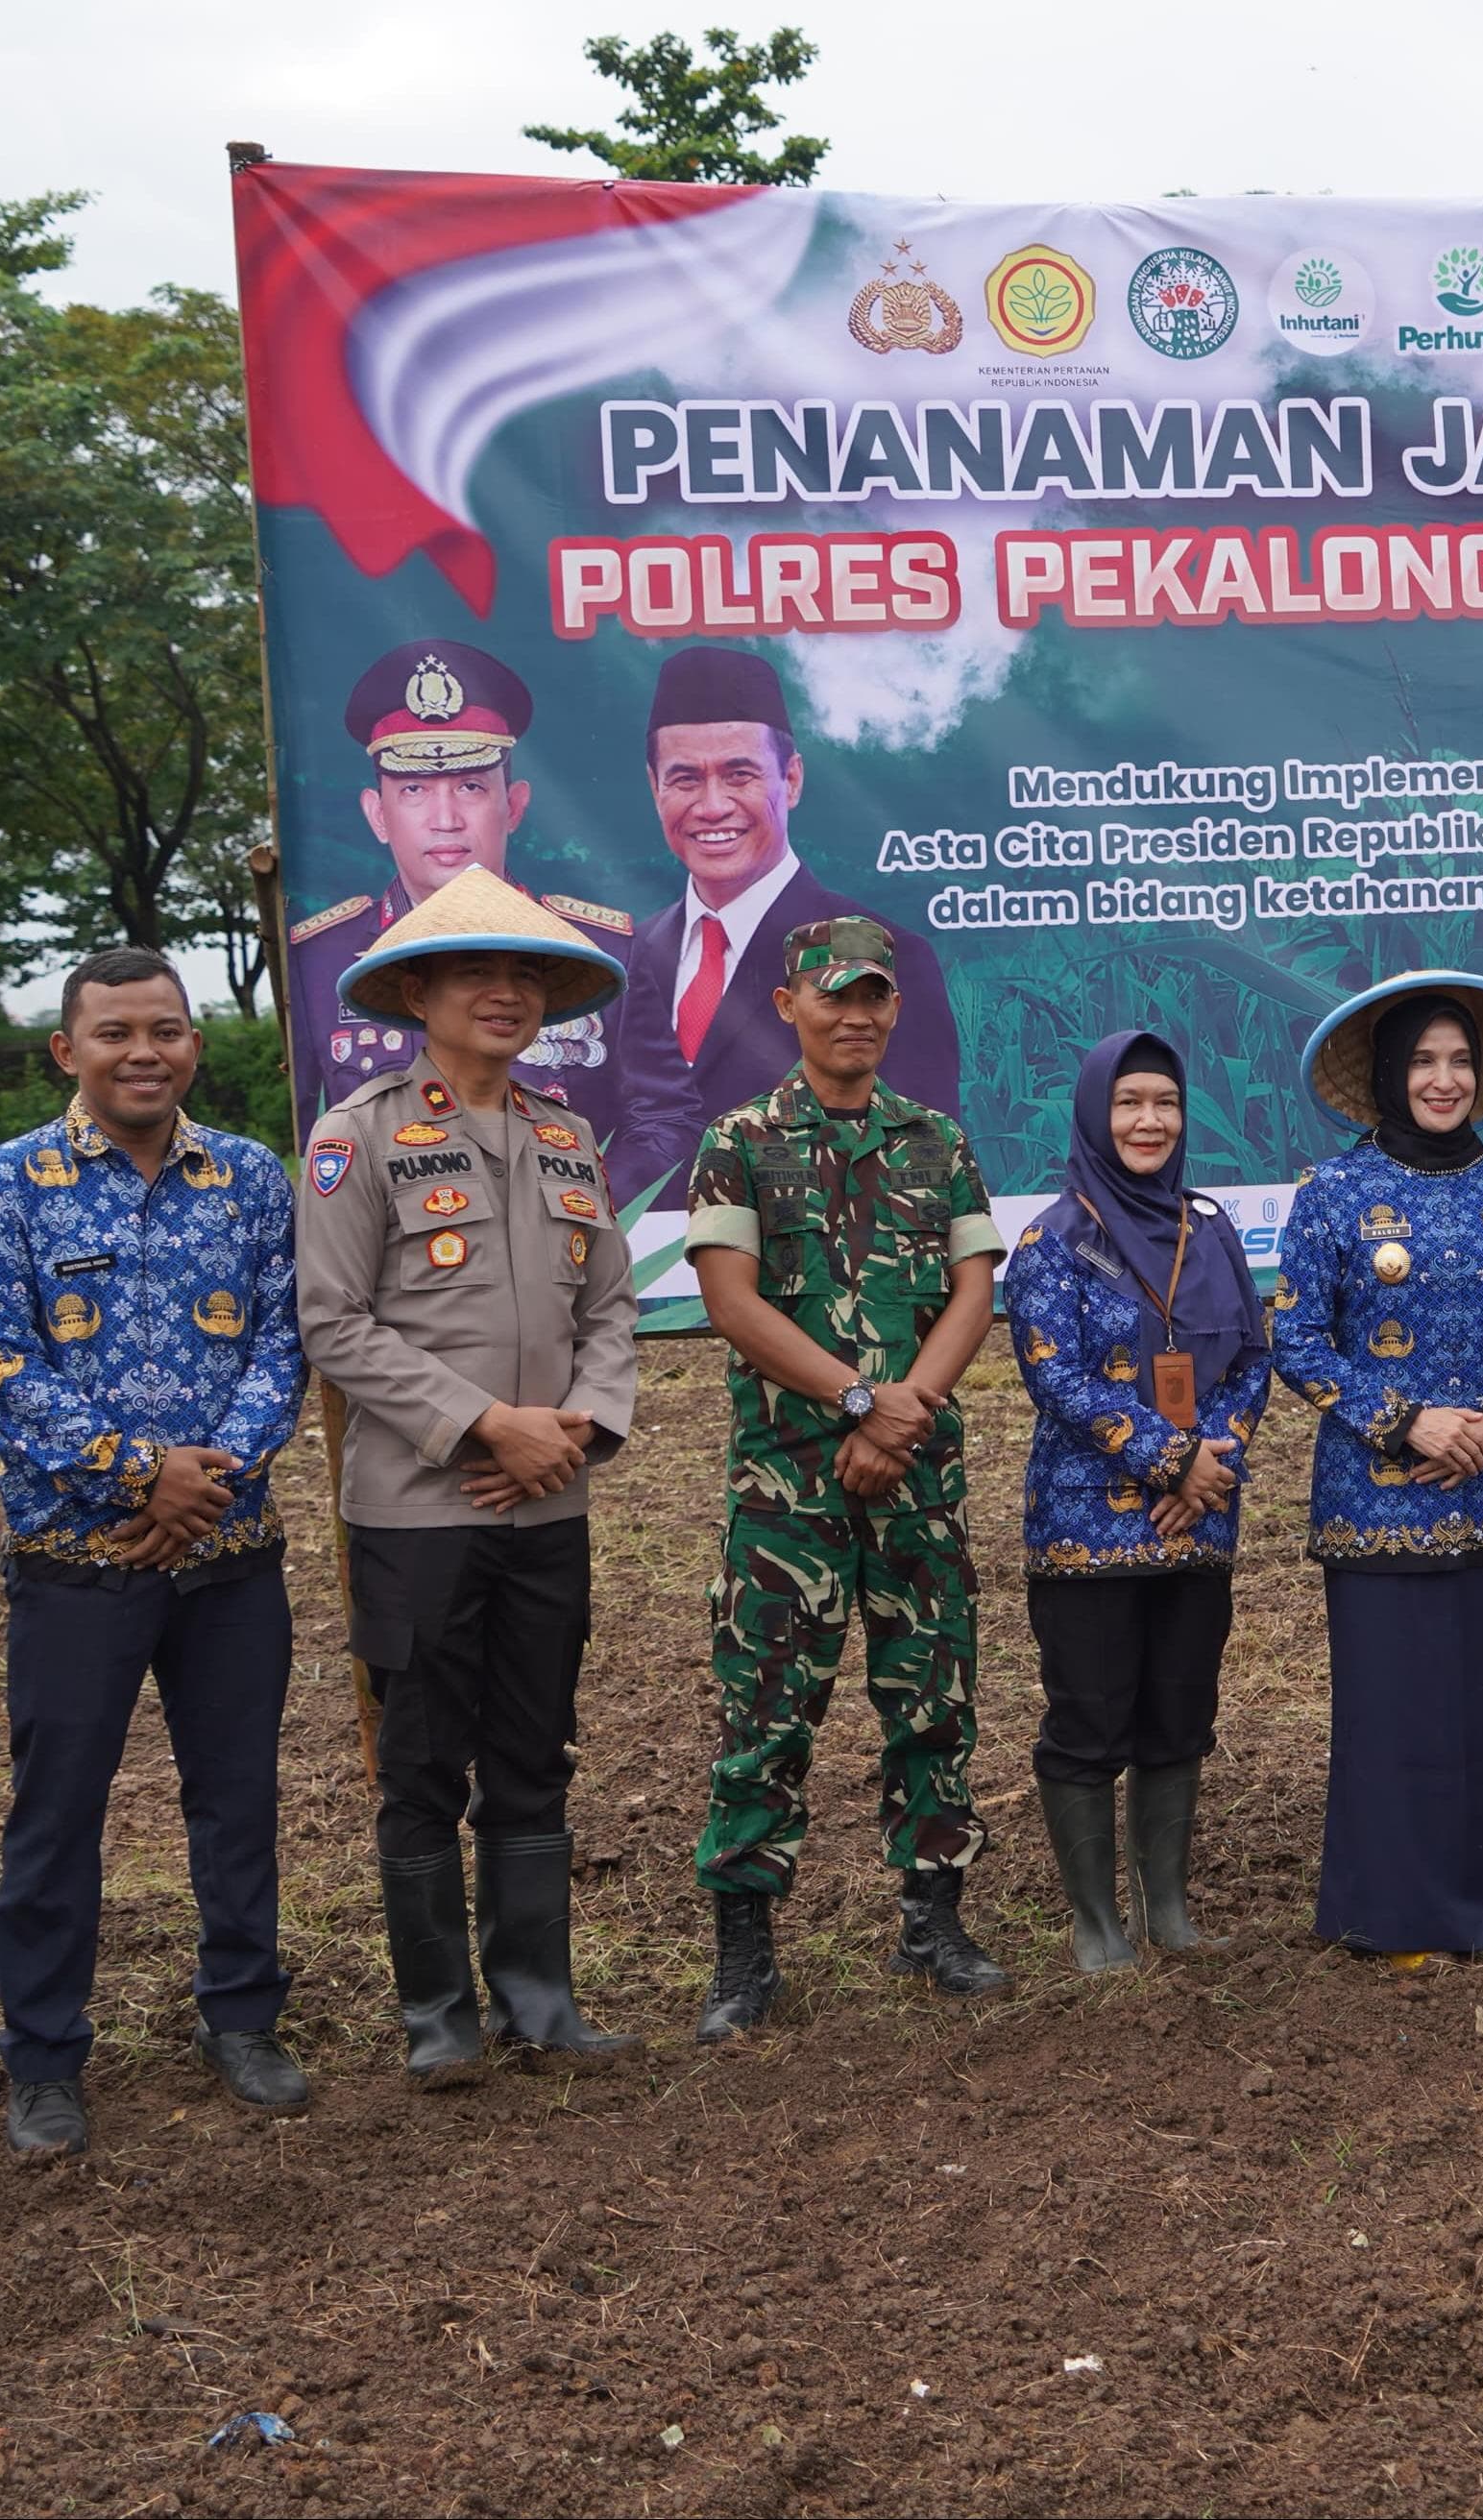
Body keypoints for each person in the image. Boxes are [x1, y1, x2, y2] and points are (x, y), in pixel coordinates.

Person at [0, 947, 310, 2158]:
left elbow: (284, 1343)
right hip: (77, 1555)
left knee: (237, 1799)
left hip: (230, 1550)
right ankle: (44, 2056)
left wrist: (206, 1483)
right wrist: (137, 1472)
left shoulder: (250, 1177)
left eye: (165, 1029)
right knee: (56, 1815)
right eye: (114, 1033)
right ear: (69, 1049)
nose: (142, 1051)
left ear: (195, 1044)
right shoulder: (10, 1182)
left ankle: (243, 2016)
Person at [296, 868, 645, 2079]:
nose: (506, 993)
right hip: (419, 1510)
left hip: (549, 1499)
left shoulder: (566, 1136)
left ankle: (538, 2000)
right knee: (421, 1762)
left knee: (535, 1747)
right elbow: (333, 1322)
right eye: (474, 973)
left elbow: (609, 1309)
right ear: (415, 994)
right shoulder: (355, 1137)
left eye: (525, 975)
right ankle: (438, 2018)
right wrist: (487, 1423)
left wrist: (577, 1431)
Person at [685, 915, 1009, 2041]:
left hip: (914, 1477)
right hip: (789, 1486)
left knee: (933, 1702)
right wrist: (861, 1400)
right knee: (766, 1710)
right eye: (833, 995)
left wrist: (902, 1410)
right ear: (788, 1006)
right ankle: (744, 1953)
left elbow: (973, 1289)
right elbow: (730, 1301)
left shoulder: (936, 1139)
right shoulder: (738, 1140)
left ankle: (933, 1922)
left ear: (894, 1008)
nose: (855, 1015)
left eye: (873, 996)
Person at [1272, 973, 1483, 1958]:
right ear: (1385, 1074)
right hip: (1377, 1501)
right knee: (1394, 1711)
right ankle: (1392, 1912)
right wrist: (1405, 1421)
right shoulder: (1331, 1194)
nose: (1442, 1079)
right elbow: (1298, 1339)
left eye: (1458, 1060)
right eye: (1420, 1060)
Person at [1003, 1030, 1274, 1971]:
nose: (1148, 1120)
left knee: (1179, 1714)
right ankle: (1096, 1922)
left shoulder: (1211, 1229)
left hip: (1198, 1519)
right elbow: (1057, 1378)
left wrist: (1211, 1463)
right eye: (1127, 1103)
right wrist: (1170, 1460)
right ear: (1093, 1114)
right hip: (1090, 1522)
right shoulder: (1051, 1241)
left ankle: (1167, 1909)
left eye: (1164, 1102)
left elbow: (1252, 1356)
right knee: (1089, 1717)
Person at [283, 639, 677, 1173]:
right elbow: (307, 1132)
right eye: (415, 790)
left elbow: (664, 1119)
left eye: (470, 786)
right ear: (377, 814)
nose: (446, 819)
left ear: (514, 806)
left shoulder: (601, 947)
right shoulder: (317, 958)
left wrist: (577, 1200)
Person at [625, 644, 963, 1198]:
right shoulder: (624, 955)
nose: (712, 806)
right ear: (653, 787)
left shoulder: (888, 957)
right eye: (685, 779)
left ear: (792, 780)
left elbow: (922, 1172)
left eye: (739, 775)